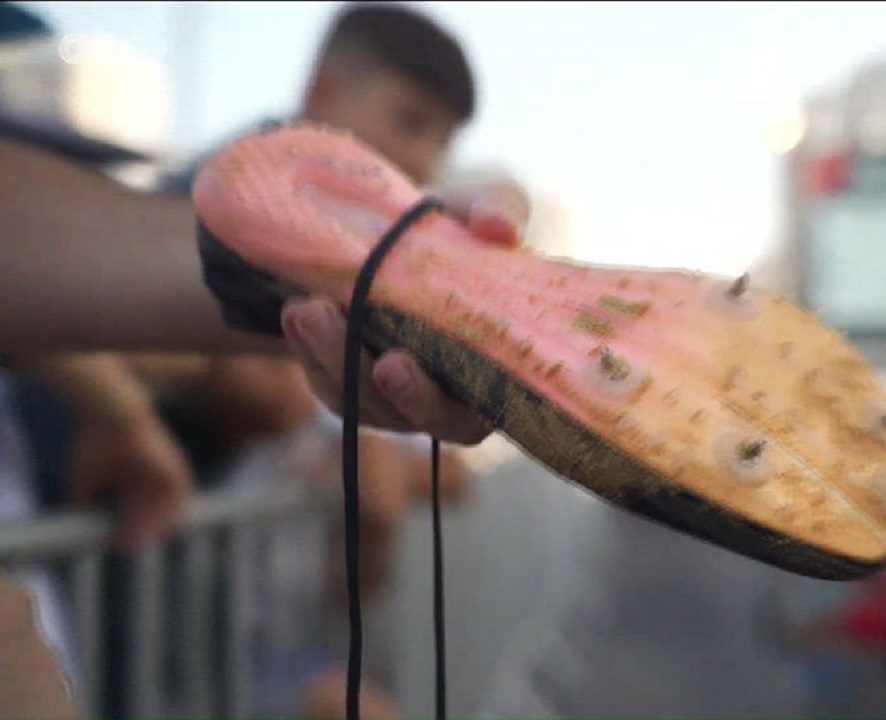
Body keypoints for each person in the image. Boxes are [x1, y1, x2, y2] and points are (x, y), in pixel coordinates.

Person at [0, 129, 529, 718]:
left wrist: (390, 260)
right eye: (411, 120)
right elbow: (270, 403)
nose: (418, 152)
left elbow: (34, 243)